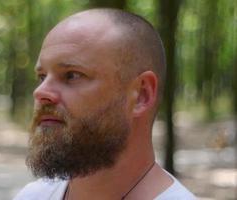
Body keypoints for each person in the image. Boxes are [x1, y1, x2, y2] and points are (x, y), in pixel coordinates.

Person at [14, 8, 195, 200]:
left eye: (72, 75)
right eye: (42, 77)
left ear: (141, 94)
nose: (40, 92)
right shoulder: (32, 196)